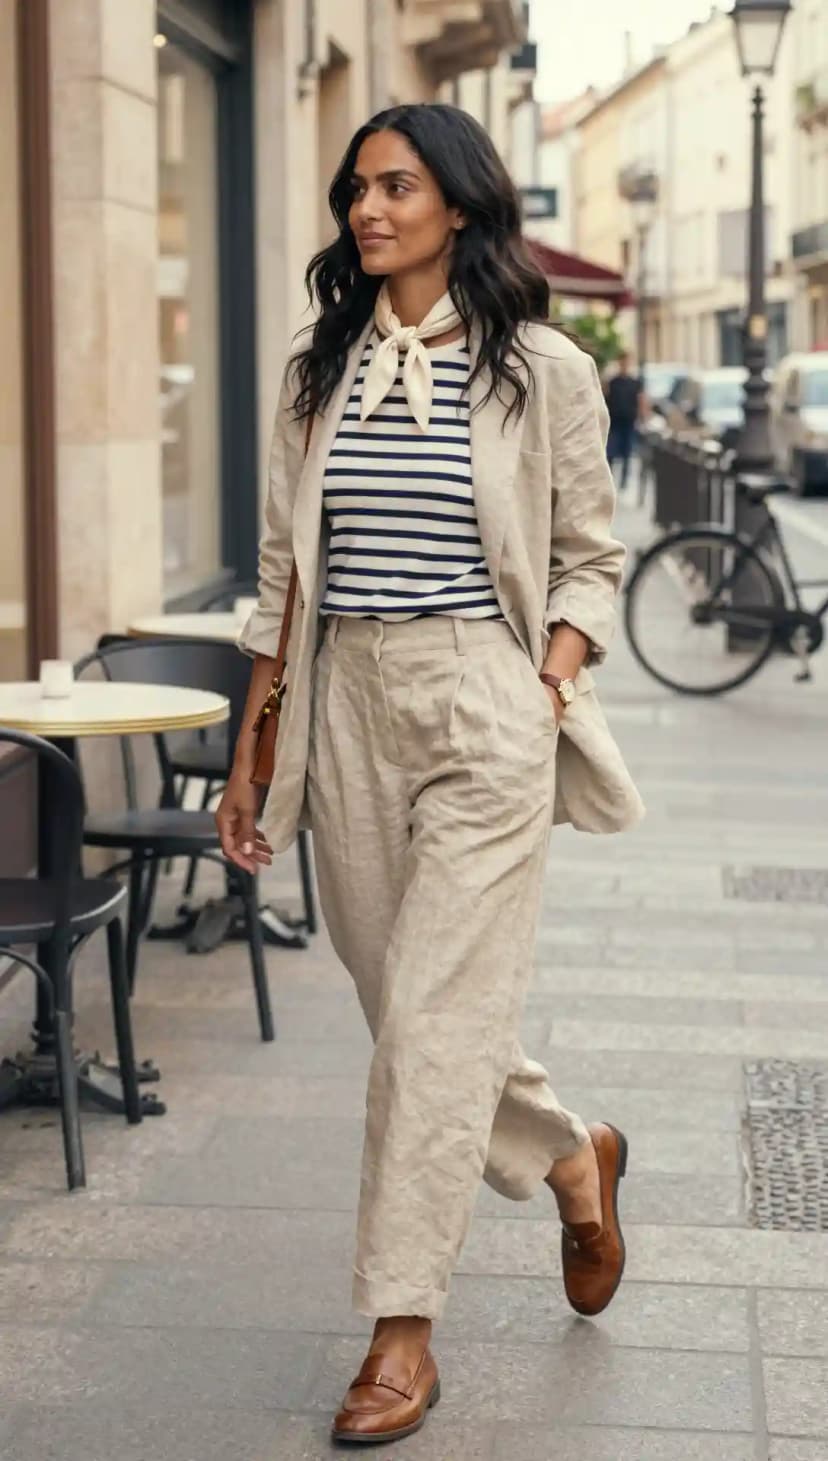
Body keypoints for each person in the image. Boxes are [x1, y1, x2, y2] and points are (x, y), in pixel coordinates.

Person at [216, 103, 644, 1447]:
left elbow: (589, 554)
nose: (367, 209)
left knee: (437, 1021)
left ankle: (402, 1329)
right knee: (401, 1001)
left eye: (395, 186)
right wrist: (253, 750)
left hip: (482, 701)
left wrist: (547, 678)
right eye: (356, 190)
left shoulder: (544, 371)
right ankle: (574, 1159)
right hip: (344, 694)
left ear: (458, 203)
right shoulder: (318, 369)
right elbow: (284, 586)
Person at [605, 351, 643, 489]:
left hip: (629, 421)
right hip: (614, 421)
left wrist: (641, 417)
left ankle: (624, 480)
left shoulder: (635, 382)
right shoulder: (613, 382)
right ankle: (610, 478)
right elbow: (606, 400)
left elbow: (640, 400)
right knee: (611, 451)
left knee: (627, 451)